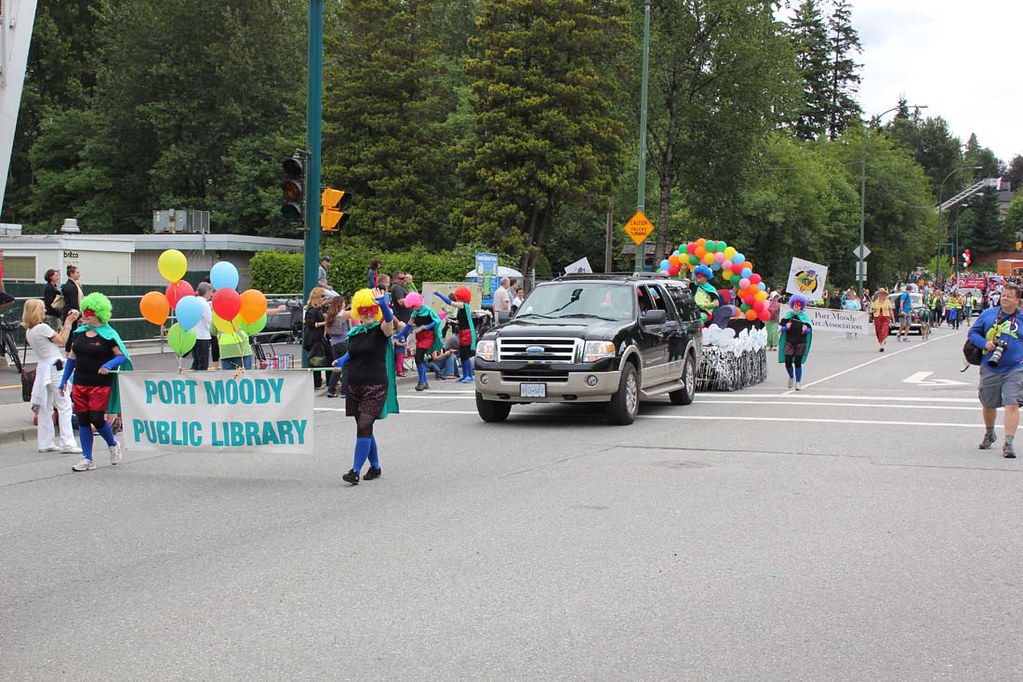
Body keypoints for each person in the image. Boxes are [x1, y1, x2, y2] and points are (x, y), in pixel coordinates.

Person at [59, 293, 132, 472]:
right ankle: (87, 459)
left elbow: (121, 356)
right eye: (84, 312)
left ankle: (113, 444)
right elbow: (71, 358)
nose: (84, 316)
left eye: (89, 313)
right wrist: (64, 381)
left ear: (99, 314)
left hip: (100, 384)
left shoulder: (109, 335)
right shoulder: (78, 334)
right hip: (80, 382)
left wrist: (108, 365)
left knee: (97, 419)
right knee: (83, 420)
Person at [336, 287, 399, 485]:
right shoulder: (354, 333)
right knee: (365, 428)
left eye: (372, 309)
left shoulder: (382, 330)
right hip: (354, 385)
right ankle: (375, 466)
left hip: (375, 385)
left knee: (364, 425)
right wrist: (341, 361)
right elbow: (352, 353)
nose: (369, 314)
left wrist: (383, 303)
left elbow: (389, 319)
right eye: (364, 310)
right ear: (358, 311)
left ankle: (355, 470)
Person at [968, 282, 1023, 458]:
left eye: (1009, 296)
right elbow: (972, 333)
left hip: (1015, 368)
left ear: (1017, 300)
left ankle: (1009, 443)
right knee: (988, 403)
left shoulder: (1021, 318)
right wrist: (985, 343)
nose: (1004, 298)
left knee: (1012, 403)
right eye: (1003, 295)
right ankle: (990, 433)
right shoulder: (988, 314)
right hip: (990, 366)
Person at [23, 300, 81, 454]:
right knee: (64, 405)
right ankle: (67, 443)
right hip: (55, 367)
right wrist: (68, 323)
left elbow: (54, 340)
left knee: (46, 406)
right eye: (42, 309)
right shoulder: (42, 328)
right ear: (36, 311)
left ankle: (45, 442)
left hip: (44, 368)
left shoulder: (30, 331)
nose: (44, 311)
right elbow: (62, 341)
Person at [434, 287, 477, 383]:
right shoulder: (460, 309)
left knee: (465, 355)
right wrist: (450, 321)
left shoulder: (464, 305)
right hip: (462, 332)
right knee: (462, 355)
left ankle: (469, 375)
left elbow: (449, 302)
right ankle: (465, 375)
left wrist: (438, 294)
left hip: (466, 333)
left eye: (457, 296)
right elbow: (459, 321)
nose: (456, 298)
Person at [405, 292, 443, 391]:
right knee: (420, 359)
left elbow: (437, 320)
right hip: (419, 338)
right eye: (411, 307)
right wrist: (399, 335)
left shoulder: (428, 310)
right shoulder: (415, 313)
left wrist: (426, 327)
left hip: (428, 337)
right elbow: (408, 325)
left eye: (413, 306)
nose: (412, 308)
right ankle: (424, 382)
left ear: (418, 302)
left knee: (418, 357)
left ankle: (421, 381)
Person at [778, 294, 812, 390]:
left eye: (798, 305)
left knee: (797, 362)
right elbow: (780, 328)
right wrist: (785, 327)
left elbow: (809, 330)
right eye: (795, 305)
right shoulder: (788, 316)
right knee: (788, 361)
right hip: (789, 341)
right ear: (792, 305)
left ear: (801, 307)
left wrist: (806, 330)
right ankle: (791, 377)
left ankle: (798, 382)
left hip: (801, 342)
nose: (796, 307)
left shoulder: (804, 317)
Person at [303, 287, 332, 390]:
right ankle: (317, 383)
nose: (324, 298)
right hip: (315, 339)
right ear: (317, 297)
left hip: (320, 338)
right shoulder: (312, 309)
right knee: (317, 360)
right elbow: (310, 324)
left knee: (328, 357)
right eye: (322, 296)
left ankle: (328, 381)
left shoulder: (318, 309)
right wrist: (323, 323)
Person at [324, 295, 351, 398]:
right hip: (344, 342)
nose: (345, 304)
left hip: (334, 343)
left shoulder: (330, 315)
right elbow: (354, 313)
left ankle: (331, 390)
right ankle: (344, 391)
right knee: (346, 367)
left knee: (337, 367)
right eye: (343, 302)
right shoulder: (342, 314)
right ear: (340, 304)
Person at [191, 283, 214, 371]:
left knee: (196, 361)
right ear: (207, 292)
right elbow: (209, 320)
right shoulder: (205, 304)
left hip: (193, 336)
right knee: (203, 363)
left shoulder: (194, 302)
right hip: (203, 336)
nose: (211, 295)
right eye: (211, 292)